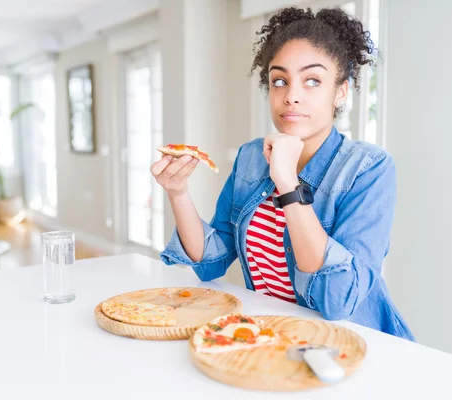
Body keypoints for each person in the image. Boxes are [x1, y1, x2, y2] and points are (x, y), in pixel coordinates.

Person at [151, 7, 414, 340]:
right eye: (280, 80)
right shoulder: (251, 156)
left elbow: (338, 299)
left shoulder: (369, 168)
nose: (291, 95)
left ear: (341, 91)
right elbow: (210, 261)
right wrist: (178, 192)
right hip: (274, 339)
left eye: (313, 81)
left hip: (352, 345)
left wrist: (287, 182)